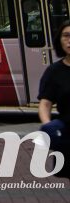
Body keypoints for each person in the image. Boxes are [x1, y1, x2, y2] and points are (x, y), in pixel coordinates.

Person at [38, 19, 70, 179]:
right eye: (66, 35)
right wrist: (48, 125)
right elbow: (45, 104)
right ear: (60, 40)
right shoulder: (54, 72)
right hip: (67, 135)